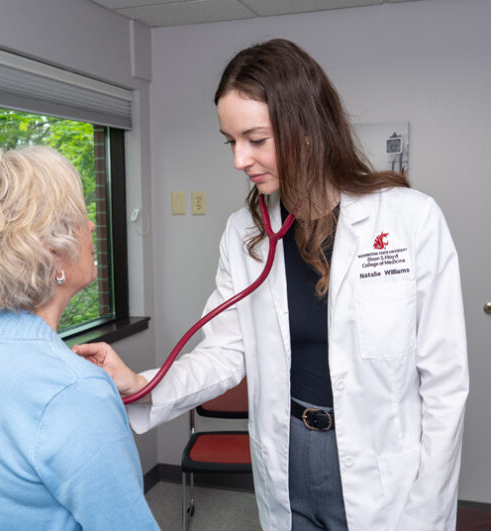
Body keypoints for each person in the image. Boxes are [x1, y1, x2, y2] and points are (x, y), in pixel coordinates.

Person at [74, 39, 468, 531]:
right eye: (230, 141)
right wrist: (142, 383)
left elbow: (445, 384)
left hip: (382, 462)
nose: (239, 159)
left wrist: (427, 512)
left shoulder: (411, 219)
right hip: (288, 454)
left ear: (305, 128)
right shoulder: (246, 234)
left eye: (255, 139)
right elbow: (225, 353)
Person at [0, 145, 159, 530]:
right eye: (80, 215)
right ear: (52, 254)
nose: (91, 227)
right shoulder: (75, 390)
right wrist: (79, 388)